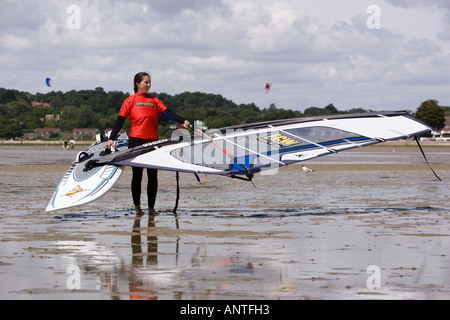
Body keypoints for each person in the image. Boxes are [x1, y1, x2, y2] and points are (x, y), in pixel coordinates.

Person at [106, 72, 190, 215]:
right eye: (146, 82)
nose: (149, 85)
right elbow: (120, 120)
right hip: (136, 140)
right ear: (138, 84)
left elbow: (168, 112)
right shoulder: (130, 100)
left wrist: (182, 120)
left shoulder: (154, 100)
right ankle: (138, 208)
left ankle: (151, 208)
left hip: (152, 141)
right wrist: (111, 138)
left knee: (153, 175)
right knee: (137, 175)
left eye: (150, 82)